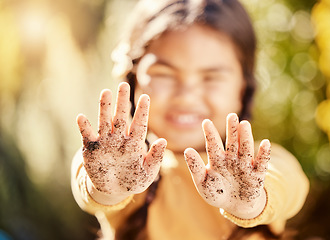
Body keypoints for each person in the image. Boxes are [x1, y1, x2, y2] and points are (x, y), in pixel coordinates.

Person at [71, 0, 309, 239]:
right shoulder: (122, 166)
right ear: (133, 81)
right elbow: (91, 186)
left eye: (211, 77)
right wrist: (107, 188)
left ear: (243, 89)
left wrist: (252, 202)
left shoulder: (261, 166)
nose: (186, 96)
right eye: (164, 74)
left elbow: (286, 183)